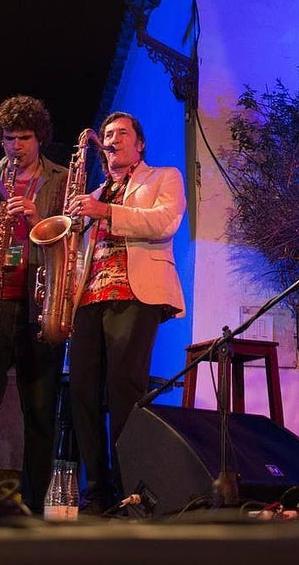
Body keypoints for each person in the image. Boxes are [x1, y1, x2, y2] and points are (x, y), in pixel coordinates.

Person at [65, 111, 186, 514]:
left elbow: (165, 222)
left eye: (121, 133)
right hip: (88, 298)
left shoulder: (164, 177)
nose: (112, 139)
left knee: (124, 392)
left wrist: (106, 213)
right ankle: (96, 491)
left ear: (140, 144)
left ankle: (128, 492)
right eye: (107, 133)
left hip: (135, 294)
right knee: (81, 394)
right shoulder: (94, 194)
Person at [0, 95, 68, 512]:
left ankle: (34, 505)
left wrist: (37, 218)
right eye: (8, 138)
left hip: (41, 306)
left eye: (24, 138)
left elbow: (70, 244)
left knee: (39, 410)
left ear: (40, 138)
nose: (15, 146)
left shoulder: (62, 179)